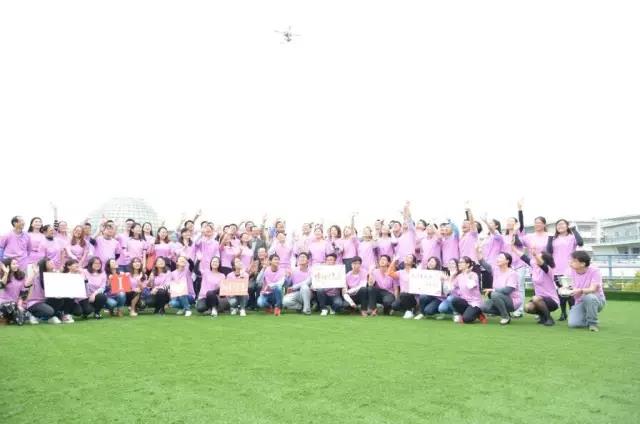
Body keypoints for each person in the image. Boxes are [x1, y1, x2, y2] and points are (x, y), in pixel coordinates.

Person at [512, 244, 559, 326]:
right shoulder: (534, 267)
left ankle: (549, 319)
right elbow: (524, 257)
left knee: (536, 298)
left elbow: (542, 265)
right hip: (539, 299)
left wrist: (535, 254)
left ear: (544, 260)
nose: (536, 259)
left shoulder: (548, 270)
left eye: (539, 257)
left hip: (552, 301)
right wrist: (513, 248)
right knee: (527, 307)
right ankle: (543, 316)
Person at [547, 219, 584, 321]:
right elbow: (549, 251)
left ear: (567, 226)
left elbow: (580, 243)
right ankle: (563, 313)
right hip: (556, 269)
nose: (560, 226)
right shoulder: (554, 238)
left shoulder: (572, 237)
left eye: (562, 224)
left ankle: (573, 312)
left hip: (569, 268)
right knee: (561, 292)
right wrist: (550, 238)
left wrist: (574, 230)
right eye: (558, 224)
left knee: (570, 293)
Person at [477, 247, 521, 325]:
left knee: (494, 294)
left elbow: (507, 290)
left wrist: (493, 290)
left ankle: (505, 317)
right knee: (483, 307)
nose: (498, 259)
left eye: (500, 258)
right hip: (499, 297)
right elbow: (483, 263)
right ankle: (505, 313)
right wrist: (478, 251)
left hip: (512, 302)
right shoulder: (496, 269)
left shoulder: (512, 273)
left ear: (507, 261)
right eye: (497, 257)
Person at [567, 251, 605, 332]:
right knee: (573, 324)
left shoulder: (595, 271)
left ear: (582, 264)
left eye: (574, 261)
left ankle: (593, 323)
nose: (571, 262)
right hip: (579, 301)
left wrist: (580, 290)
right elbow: (570, 286)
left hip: (596, 300)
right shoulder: (571, 270)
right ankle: (587, 318)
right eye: (571, 260)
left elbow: (593, 289)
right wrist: (565, 290)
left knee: (589, 297)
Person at [450, 256, 487, 324]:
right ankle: (468, 314)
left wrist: (467, 275)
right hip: (465, 301)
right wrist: (452, 276)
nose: (459, 264)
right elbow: (451, 288)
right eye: (459, 262)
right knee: (454, 300)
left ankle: (479, 314)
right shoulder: (459, 276)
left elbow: (470, 286)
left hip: (475, 303)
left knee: (467, 319)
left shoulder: (473, 275)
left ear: (467, 264)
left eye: (461, 262)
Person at [389, 254, 418, 319]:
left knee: (404, 295)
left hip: (412, 296)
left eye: (410, 258)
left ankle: (409, 311)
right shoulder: (400, 272)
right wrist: (393, 261)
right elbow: (390, 273)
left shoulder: (416, 272)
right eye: (406, 257)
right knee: (394, 306)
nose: (407, 258)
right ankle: (408, 310)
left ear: (413, 262)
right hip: (403, 295)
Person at [0, 258, 27, 325]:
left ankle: (8, 318)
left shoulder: (21, 275)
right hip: (3, 303)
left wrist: (20, 305)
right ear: (8, 265)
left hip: (15, 304)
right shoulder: (2, 275)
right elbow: (1, 285)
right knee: (10, 305)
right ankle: (5, 317)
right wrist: (6, 273)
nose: (16, 265)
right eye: (14, 264)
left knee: (20, 322)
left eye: (17, 264)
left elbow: (23, 293)